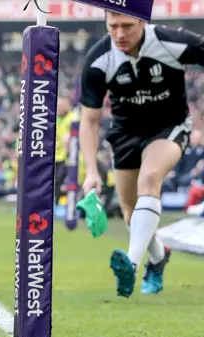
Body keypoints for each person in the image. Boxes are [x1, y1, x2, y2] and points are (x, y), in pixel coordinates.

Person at [79, 11, 204, 297]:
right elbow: (89, 120)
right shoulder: (98, 59)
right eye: (113, 27)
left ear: (143, 22)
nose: (120, 34)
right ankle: (159, 257)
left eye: (127, 26)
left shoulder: (173, 42)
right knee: (130, 214)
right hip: (125, 135)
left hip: (168, 127)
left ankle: (132, 266)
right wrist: (91, 172)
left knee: (150, 177)